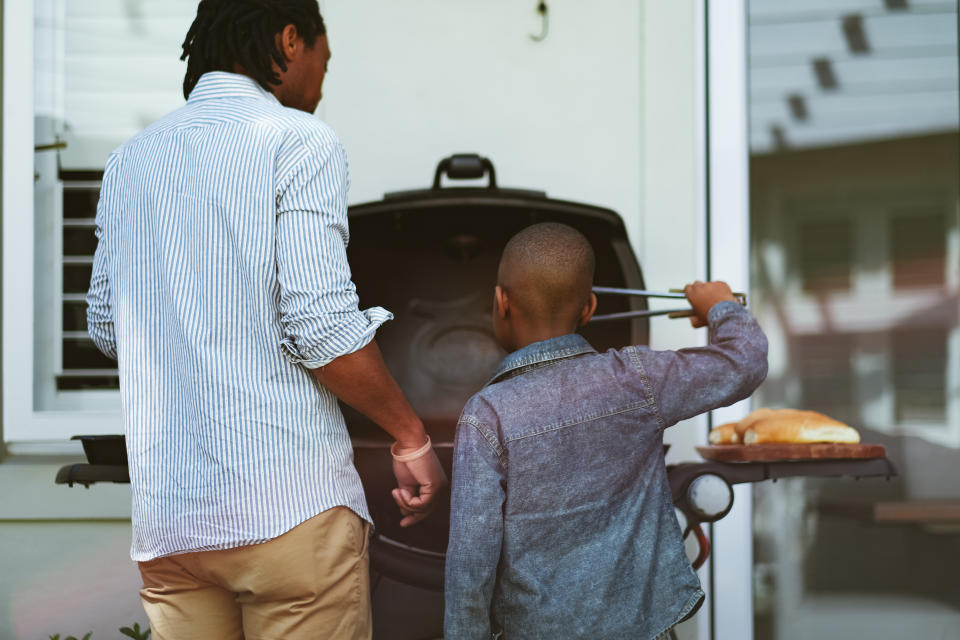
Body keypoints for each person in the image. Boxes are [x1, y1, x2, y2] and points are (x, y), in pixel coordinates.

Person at [85, 2, 446, 638]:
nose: (323, 82)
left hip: (172, 523)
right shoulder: (297, 140)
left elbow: (110, 329)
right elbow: (320, 327)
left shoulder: (129, 162)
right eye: (323, 61)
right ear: (289, 39)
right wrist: (410, 437)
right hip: (288, 508)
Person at [443, 223, 768, 639]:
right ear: (589, 308)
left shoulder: (486, 414)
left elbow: (471, 560)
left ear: (501, 301)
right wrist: (721, 306)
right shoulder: (639, 379)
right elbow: (745, 361)